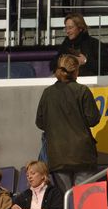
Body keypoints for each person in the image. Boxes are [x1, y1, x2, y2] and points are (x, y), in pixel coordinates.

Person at [37, 54, 101, 193]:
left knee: (65, 200)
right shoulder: (82, 91)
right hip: (82, 154)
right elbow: (93, 119)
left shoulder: (47, 93)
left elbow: (40, 123)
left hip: (57, 154)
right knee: (85, 200)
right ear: (76, 71)